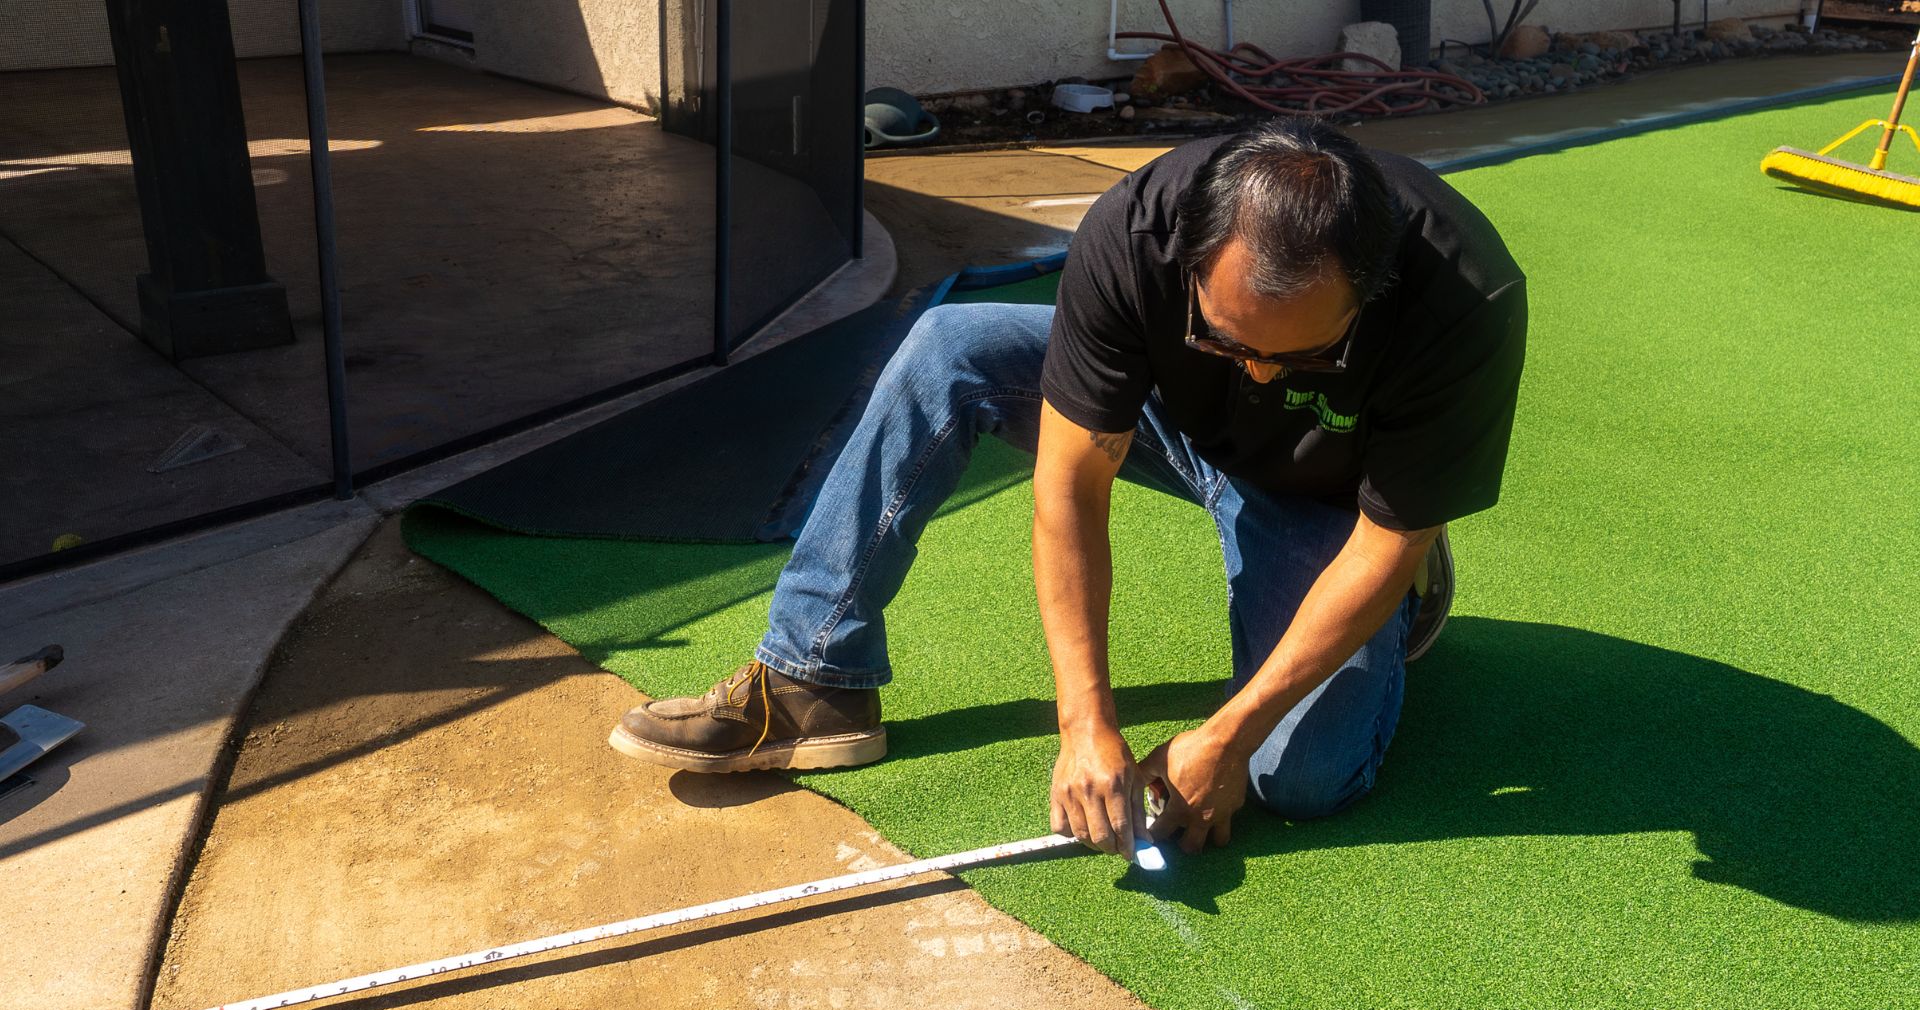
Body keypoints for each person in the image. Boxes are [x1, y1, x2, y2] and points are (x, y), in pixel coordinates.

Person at [611, 118, 1527, 859]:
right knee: (949, 349)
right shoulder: (1137, 228)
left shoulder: (1463, 297)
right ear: (1192, 258)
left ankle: (1406, 583)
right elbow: (1070, 487)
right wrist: (1086, 722)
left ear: (1372, 293)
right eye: (1225, 341)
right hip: (1171, 423)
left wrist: (1231, 737)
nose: (1254, 375)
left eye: (1299, 355)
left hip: (1331, 495)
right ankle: (813, 676)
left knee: (1305, 779)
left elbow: (1382, 544)